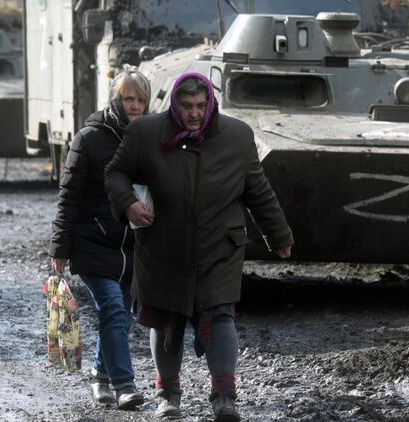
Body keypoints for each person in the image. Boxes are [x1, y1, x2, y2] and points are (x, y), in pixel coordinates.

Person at [104, 72, 293, 421]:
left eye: (200, 106)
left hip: (219, 247)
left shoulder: (237, 136)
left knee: (220, 316)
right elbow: (115, 174)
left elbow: (257, 189)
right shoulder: (145, 133)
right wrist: (128, 203)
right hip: (163, 247)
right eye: (187, 106)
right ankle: (168, 394)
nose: (194, 113)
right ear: (175, 104)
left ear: (211, 105)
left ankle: (225, 397)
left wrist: (278, 235)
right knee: (165, 319)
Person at [49, 66, 150, 410]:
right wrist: (60, 248)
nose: (134, 106)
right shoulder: (89, 138)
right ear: (115, 100)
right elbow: (69, 196)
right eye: (128, 98)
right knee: (113, 307)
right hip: (92, 242)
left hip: (132, 247)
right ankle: (124, 385)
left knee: (118, 315)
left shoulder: (149, 138)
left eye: (140, 100)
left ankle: (99, 376)